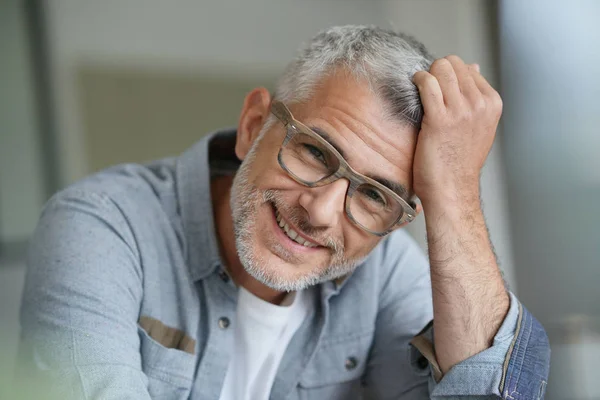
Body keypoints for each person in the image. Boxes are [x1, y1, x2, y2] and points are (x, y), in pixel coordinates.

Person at [17, 25, 550, 399]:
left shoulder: (382, 272)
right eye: (314, 152)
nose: (319, 212)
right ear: (253, 126)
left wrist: (454, 194)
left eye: (373, 195)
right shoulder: (103, 225)